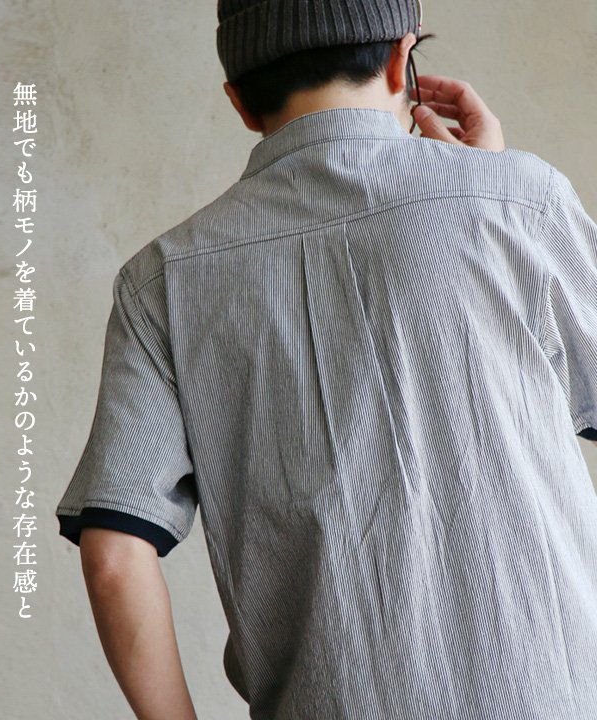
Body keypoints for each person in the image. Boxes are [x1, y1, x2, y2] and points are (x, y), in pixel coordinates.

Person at [55, 1, 597, 718]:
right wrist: (492, 190)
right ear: (402, 62)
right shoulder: (522, 199)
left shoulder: (162, 279)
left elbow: (115, 555)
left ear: (240, 102)